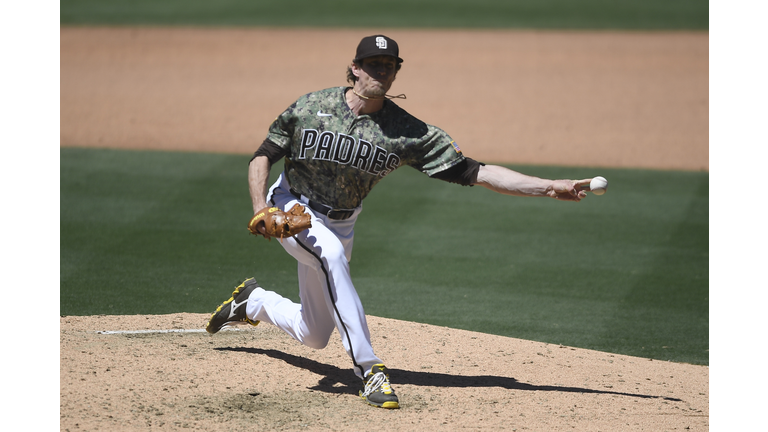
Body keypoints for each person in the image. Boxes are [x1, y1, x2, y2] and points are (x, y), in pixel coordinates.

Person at [206, 35, 591, 409]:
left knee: (314, 334)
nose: (382, 72)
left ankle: (253, 302)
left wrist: (548, 186)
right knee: (333, 259)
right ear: (354, 69)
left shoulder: (407, 132)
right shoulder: (311, 106)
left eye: (390, 66)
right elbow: (264, 154)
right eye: (374, 64)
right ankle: (369, 371)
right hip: (291, 209)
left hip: (342, 223)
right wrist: (262, 208)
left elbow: (478, 172)